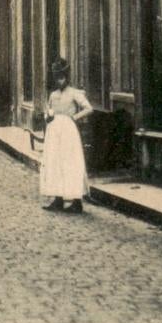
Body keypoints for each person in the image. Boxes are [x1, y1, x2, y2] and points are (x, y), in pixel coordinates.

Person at [40, 57, 93, 214]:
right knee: (55, 162)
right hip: (54, 130)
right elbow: (48, 110)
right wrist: (47, 116)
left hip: (69, 131)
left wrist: (74, 118)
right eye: (57, 78)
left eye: (62, 77)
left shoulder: (74, 93)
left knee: (71, 163)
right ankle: (58, 199)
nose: (60, 81)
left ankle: (76, 201)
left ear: (67, 78)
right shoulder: (53, 94)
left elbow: (89, 108)